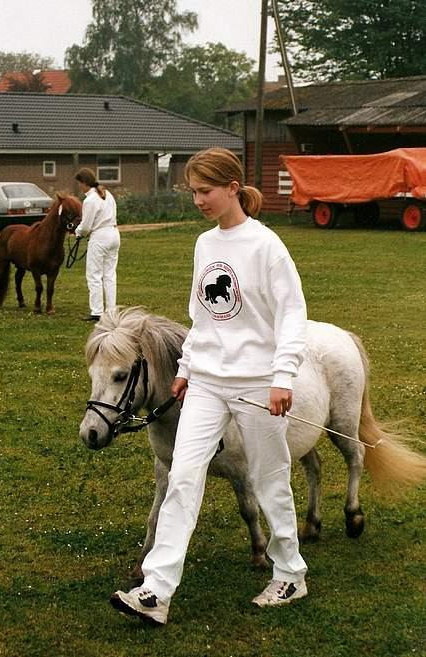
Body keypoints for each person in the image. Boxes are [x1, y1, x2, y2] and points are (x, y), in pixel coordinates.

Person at [111, 147, 308, 625]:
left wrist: (282, 377)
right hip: (205, 385)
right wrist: (186, 368)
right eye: (193, 191)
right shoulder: (205, 244)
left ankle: (290, 574)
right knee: (182, 475)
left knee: (269, 480)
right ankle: (155, 591)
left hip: (258, 385)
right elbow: (202, 316)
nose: (197, 199)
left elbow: (292, 314)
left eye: (205, 191)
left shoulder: (266, 246)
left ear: (232, 189)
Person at [74, 168, 120, 321]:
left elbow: (86, 226)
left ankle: (97, 311)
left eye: (80, 183)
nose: (79, 187)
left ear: (84, 183)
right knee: (110, 275)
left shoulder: (90, 200)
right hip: (114, 234)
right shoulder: (108, 195)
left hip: (100, 236)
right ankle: (111, 310)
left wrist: (78, 232)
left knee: (94, 275)